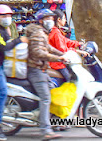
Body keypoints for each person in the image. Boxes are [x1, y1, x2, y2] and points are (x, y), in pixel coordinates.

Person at [0, 5, 27, 141]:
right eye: (3, 16)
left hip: (2, 65)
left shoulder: (5, 29)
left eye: (9, 16)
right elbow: (3, 46)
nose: (7, 18)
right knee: (3, 91)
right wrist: (19, 40)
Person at [26, 9, 67, 140]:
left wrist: (62, 55)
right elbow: (39, 53)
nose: (50, 21)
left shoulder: (43, 33)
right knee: (46, 98)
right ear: (41, 20)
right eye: (47, 18)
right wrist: (57, 58)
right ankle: (45, 130)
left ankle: (52, 122)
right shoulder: (38, 34)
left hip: (41, 70)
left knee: (54, 92)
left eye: (51, 18)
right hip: (36, 70)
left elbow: (49, 48)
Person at [47, 10, 84, 82]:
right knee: (71, 80)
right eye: (64, 18)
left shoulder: (56, 31)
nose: (65, 20)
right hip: (57, 63)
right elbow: (62, 49)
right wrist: (77, 51)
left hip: (59, 61)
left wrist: (77, 43)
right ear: (59, 19)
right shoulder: (56, 33)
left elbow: (66, 41)